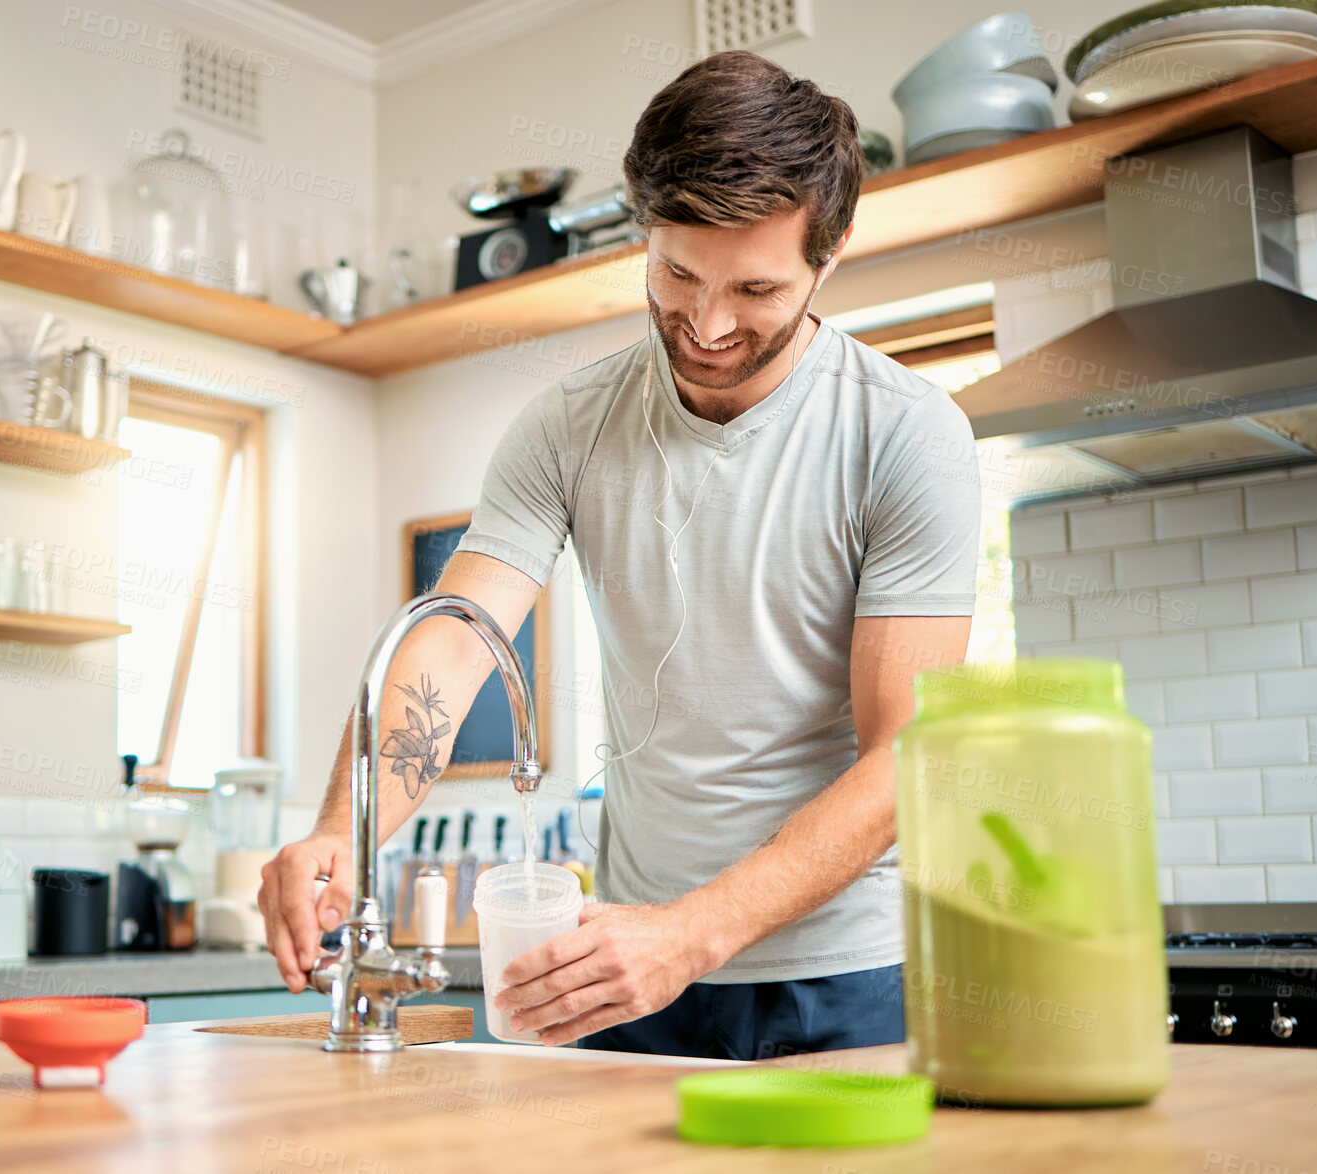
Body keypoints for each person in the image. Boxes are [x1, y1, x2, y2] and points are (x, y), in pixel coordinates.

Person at [260, 49, 981, 1060]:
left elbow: (901, 759)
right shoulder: (567, 425)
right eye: (676, 272)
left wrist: (693, 931)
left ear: (833, 252)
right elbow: (452, 646)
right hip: (626, 968)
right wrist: (343, 829)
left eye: (755, 288)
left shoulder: (905, 435)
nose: (707, 322)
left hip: (840, 974)